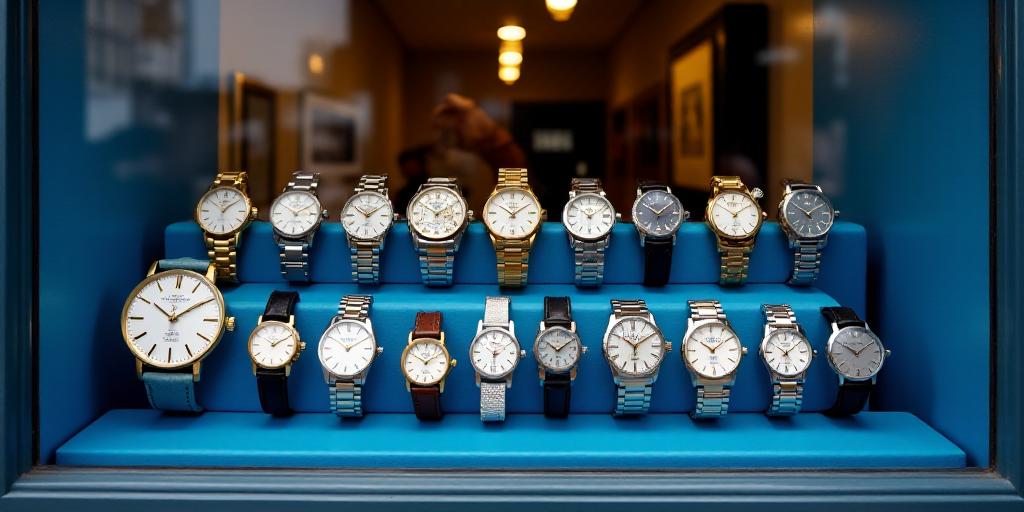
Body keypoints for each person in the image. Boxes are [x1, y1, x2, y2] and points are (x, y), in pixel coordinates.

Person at [431, 93, 527, 170]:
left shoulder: (473, 117)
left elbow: (473, 141)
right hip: (496, 158)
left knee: (514, 188)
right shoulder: (461, 125)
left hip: (506, 153)